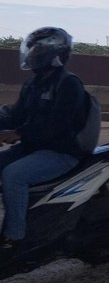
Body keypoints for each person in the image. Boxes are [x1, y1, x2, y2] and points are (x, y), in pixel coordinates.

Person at [0, 27, 89, 259]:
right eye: (30, 48)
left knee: (14, 176)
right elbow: (15, 114)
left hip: (61, 152)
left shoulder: (69, 83)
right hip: (32, 147)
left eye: (37, 49)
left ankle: (14, 239)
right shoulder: (33, 83)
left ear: (54, 53)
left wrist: (18, 133)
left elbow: (56, 125)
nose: (31, 53)